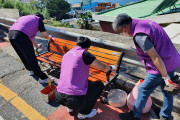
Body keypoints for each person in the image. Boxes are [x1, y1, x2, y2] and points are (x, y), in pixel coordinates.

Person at [112, 13, 180, 120]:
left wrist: (165, 76)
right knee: (167, 90)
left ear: (125, 27)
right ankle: (166, 116)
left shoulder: (139, 36)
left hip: (161, 67)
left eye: (121, 32)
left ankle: (135, 114)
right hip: (172, 60)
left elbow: (156, 58)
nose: (122, 34)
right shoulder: (145, 22)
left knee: (143, 90)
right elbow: (154, 39)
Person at [55, 36, 116, 119]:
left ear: (77, 44)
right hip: (74, 100)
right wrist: (111, 67)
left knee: (76, 86)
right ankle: (84, 112)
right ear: (87, 47)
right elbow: (104, 68)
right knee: (99, 85)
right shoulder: (85, 53)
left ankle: (70, 107)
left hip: (58, 95)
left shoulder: (66, 54)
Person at [8, 13, 53, 84]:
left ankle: (31, 70)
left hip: (11, 34)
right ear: (41, 18)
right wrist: (51, 37)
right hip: (21, 36)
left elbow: (30, 37)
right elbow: (45, 35)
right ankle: (42, 78)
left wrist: (36, 46)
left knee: (22, 55)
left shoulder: (26, 18)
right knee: (31, 58)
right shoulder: (38, 20)